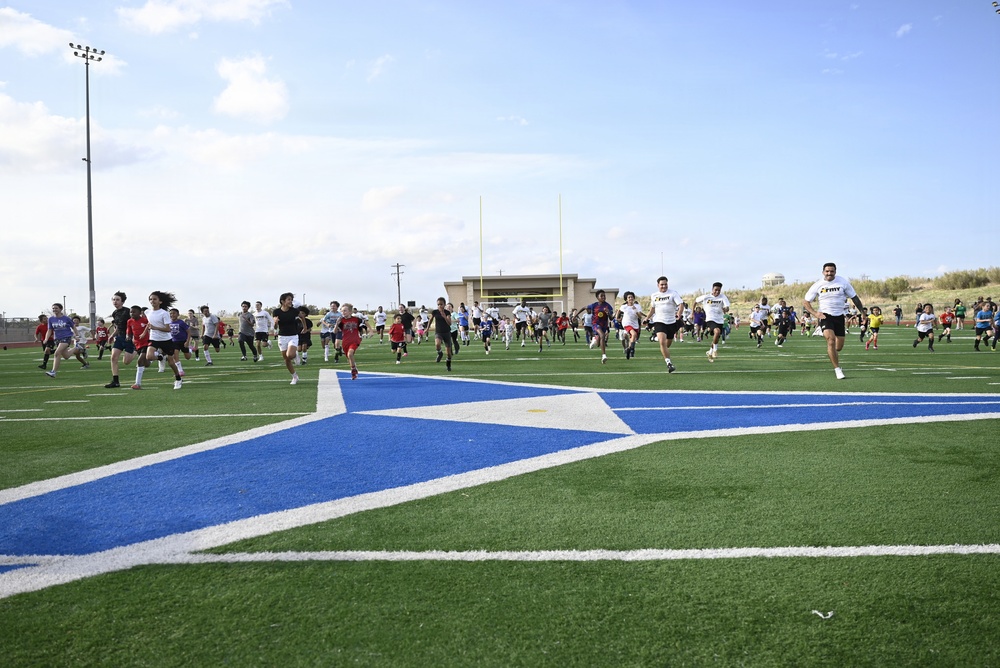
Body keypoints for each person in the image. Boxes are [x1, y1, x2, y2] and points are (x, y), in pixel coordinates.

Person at [802, 262, 865, 380]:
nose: (829, 273)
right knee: (830, 341)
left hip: (839, 316)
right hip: (825, 316)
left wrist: (863, 312)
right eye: (827, 271)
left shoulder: (843, 282)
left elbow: (854, 297)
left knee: (838, 347)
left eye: (831, 271)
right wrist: (815, 313)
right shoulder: (818, 285)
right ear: (823, 272)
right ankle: (837, 369)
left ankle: (833, 354)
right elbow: (806, 302)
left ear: (835, 272)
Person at [145, 292, 184, 390]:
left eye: (154, 299)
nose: (152, 301)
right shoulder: (147, 312)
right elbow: (149, 324)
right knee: (149, 356)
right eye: (150, 299)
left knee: (171, 363)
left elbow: (168, 329)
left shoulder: (164, 313)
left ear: (160, 301)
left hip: (166, 340)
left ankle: (178, 379)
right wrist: (144, 332)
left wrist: (154, 327)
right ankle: (160, 357)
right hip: (154, 338)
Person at [646, 276, 684, 372]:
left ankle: (660, 346)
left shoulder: (673, 293)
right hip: (659, 321)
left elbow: (681, 304)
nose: (664, 286)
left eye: (665, 284)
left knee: (667, 344)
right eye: (662, 284)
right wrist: (647, 318)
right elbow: (653, 308)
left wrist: (679, 314)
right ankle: (669, 363)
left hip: (671, 322)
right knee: (662, 341)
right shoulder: (654, 295)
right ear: (658, 285)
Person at [42, 304, 86, 377]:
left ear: (60, 309)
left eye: (56, 308)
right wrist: (46, 338)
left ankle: (53, 372)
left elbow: (73, 327)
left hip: (66, 337)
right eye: (53, 308)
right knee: (66, 356)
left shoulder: (66, 318)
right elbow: (49, 330)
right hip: (57, 339)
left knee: (57, 353)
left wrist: (76, 336)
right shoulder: (50, 319)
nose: (54, 309)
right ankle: (76, 348)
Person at [105, 291, 137, 388]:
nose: (115, 301)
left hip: (128, 338)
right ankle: (116, 381)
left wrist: (134, 337)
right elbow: (118, 327)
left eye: (117, 300)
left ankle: (137, 350)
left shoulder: (128, 311)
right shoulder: (115, 313)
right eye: (114, 300)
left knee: (126, 362)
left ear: (122, 301)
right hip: (119, 337)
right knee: (113, 357)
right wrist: (112, 336)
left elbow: (134, 324)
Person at [273, 292, 306, 385]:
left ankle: (295, 355)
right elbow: (275, 327)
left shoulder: (294, 311)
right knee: (287, 359)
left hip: (293, 336)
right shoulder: (276, 312)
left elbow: (302, 317)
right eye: (288, 299)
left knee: (290, 355)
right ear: (282, 301)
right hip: (282, 337)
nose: (290, 301)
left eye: (291, 299)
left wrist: (305, 327)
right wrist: (275, 323)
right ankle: (294, 376)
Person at [695, 282, 730, 362]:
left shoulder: (723, 297)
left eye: (719, 290)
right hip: (710, 319)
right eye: (715, 290)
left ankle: (710, 352)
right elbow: (696, 301)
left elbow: (727, 307)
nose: (717, 292)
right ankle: (715, 350)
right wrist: (692, 313)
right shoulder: (706, 297)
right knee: (717, 332)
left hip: (720, 319)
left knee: (716, 337)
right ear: (712, 289)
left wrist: (725, 309)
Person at [333, 302, 363, 379]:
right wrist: (337, 323)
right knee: (349, 357)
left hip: (355, 340)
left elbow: (365, 322)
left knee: (350, 354)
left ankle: (353, 371)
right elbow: (334, 331)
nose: (343, 312)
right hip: (346, 341)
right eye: (342, 311)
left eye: (345, 311)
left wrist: (370, 330)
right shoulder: (341, 320)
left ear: (350, 312)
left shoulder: (356, 319)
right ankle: (354, 368)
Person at [587, 290, 615, 364]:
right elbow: (584, 308)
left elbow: (611, 318)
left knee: (598, 344)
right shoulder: (594, 305)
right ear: (597, 297)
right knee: (602, 335)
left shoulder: (608, 306)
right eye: (601, 296)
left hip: (604, 325)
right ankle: (604, 355)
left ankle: (594, 339)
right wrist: (575, 316)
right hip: (595, 323)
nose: (603, 297)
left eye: (604, 295)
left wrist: (608, 313)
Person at [127, 305, 150, 389]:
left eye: (134, 312)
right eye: (131, 312)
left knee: (140, 361)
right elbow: (129, 331)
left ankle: (137, 383)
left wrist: (145, 333)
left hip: (146, 343)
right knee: (146, 364)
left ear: (140, 313)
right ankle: (159, 357)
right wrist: (128, 336)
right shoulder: (129, 321)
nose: (132, 313)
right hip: (137, 343)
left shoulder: (145, 320)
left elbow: (150, 326)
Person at [427, 297, 453, 371]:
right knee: (437, 344)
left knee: (448, 353)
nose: (440, 306)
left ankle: (448, 364)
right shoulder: (435, 312)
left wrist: (444, 316)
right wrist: (427, 328)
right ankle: (440, 353)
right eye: (438, 304)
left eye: (441, 304)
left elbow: (449, 323)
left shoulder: (447, 312)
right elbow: (431, 320)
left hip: (447, 332)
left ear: (444, 304)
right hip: (438, 332)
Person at [617, 291, 644, 360]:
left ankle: (629, 349)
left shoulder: (637, 306)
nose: (630, 298)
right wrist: (617, 318)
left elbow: (640, 317)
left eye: (631, 297)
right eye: (629, 297)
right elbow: (619, 311)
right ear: (626, 299)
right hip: (626, 323)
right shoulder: (624, 306)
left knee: (633, 338)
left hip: (635, 324)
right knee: (634, 334)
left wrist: (636, 311)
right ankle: (631, 350)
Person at [168, 307, 189, 376]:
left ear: (178, 314)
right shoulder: (168, 322)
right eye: (171, 313)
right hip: (174, 341)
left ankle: (190, 350)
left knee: (187, 357)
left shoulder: (181, 322)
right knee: (175, 355)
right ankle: (180, 371)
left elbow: (189, 332)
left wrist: (187, 341)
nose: (172, 315)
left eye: (174, 313)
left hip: (183, 341)